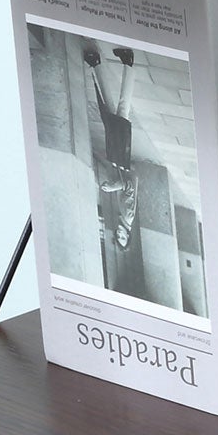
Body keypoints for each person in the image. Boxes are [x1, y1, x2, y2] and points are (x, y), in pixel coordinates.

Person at [82, 43, 147, 300]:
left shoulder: (122, 216)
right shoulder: (128, 216)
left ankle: (99, 64)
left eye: (117, 236)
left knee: (114, 111)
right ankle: (122, 63)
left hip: (118, 157)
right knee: (116, 110)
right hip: (121, 157)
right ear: (128, 234)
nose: (119, 232)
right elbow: (132, 182)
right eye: (122, 237)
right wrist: (113, 186)